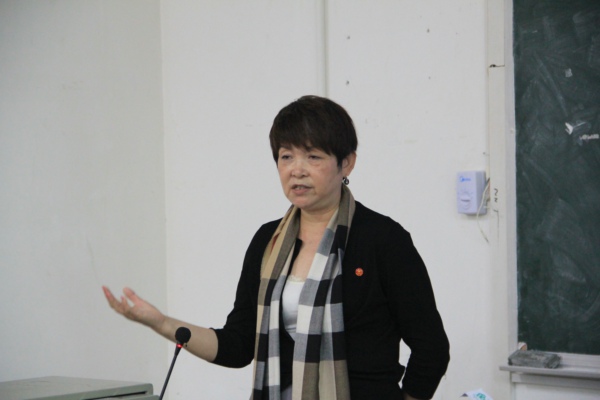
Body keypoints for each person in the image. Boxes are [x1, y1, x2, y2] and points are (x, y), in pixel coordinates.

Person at [103, 95, 450, 400]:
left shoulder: (383, 239)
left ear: (346, 163)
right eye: (286, 157)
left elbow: (431, 348)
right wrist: (160, 322)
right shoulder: (268, 242)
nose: (297, 170)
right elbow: (238, 345)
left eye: (313, 156)